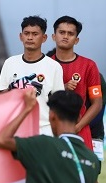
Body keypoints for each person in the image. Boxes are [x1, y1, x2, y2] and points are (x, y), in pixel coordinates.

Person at [0, 89, 101, 183]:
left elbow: (1, 140)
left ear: (52, 116)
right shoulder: (93, 160)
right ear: (79, 118)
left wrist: (27, 109)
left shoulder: (43, 145)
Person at [0, 16, 65, 136]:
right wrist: (16, 90)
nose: (30, 37)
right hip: (15, 126)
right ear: (20, 36)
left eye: (35, 34)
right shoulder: (9, 63)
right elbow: (1, 97)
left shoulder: (54, 66)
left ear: (44, 38)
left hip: (44, 128)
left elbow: (59, 103)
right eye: (26, 33)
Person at [50, 16, 103, 151]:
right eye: (62, 32)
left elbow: (97, 103)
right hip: (50, 130)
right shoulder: (45, 64)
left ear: (77, 40)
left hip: (79, 131)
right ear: (53, 36)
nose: (66, 36)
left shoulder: (89, 65)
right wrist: (62, 88)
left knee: (82, 170)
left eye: (71, 33)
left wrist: (78, 127)